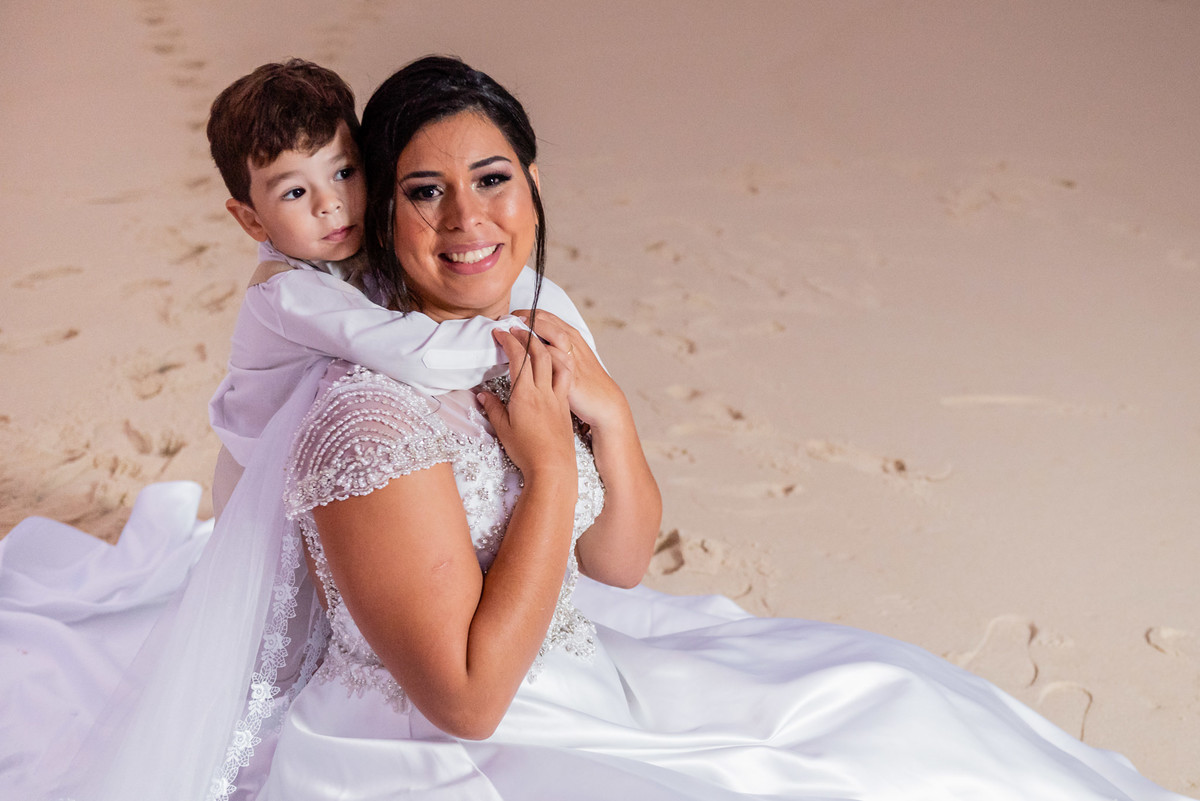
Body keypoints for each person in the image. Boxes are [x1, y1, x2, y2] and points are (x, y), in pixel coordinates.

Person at [0, 56, 1193, 801]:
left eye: (494, 178)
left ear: (532, 186)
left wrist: (607, 422)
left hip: (584, 665)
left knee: (899, 715)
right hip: (438, 747)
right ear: (382, 212)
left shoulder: (540, 318)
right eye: (423, 191)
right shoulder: (361, 413)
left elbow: (618, 566)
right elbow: (467, 699)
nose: (467, 220)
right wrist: (545, 468)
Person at [204, 59, 598, 514]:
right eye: (295, 192)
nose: (330, 204)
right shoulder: (288, 293)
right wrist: (526, 345)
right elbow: (416, 354)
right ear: (251, 219)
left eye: (344, 173)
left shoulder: (354, 245)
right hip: (263, 491)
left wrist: (571, 336)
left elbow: (515, 280)